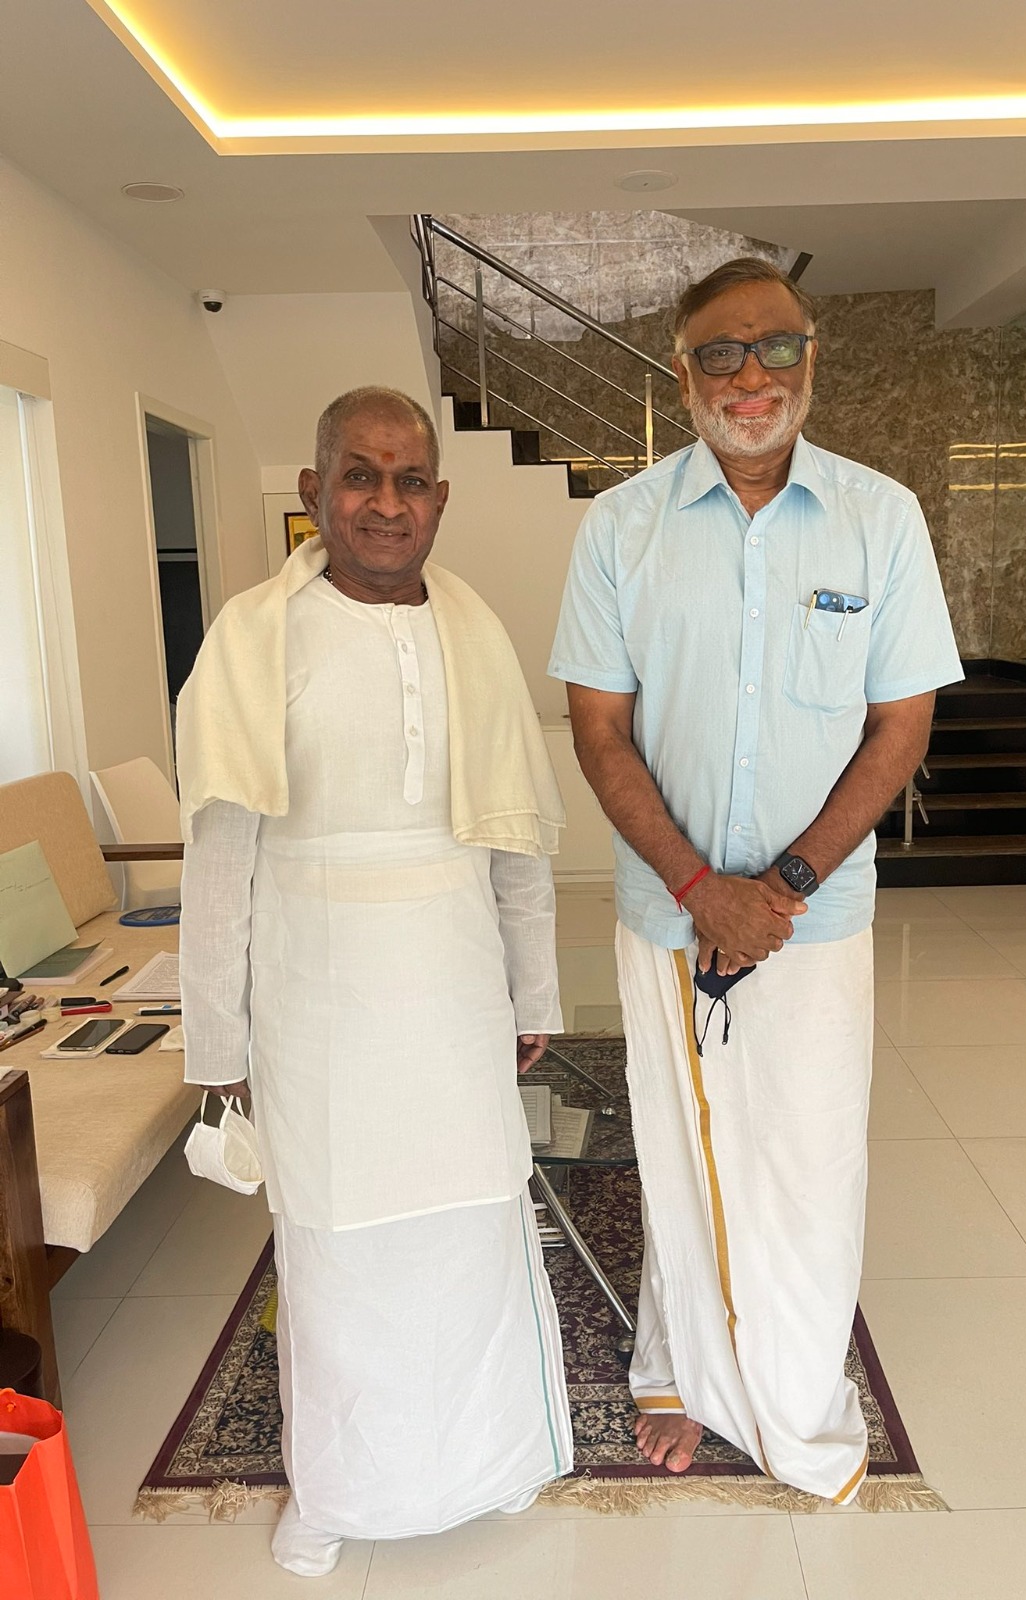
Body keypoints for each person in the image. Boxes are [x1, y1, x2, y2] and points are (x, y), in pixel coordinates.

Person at [549, 258, 962, 1503]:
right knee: (681, 1143)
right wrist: (699, 886)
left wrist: (777, 884)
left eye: (776, 347)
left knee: (808, 1156)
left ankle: (788, 1389)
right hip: (666, 914)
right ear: (682, 372)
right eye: (721, 352)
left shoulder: (880, 517)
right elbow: (598, 730)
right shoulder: (620, 527)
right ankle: (679, 1370)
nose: (750, 375)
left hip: (816, 919)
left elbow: (900, 725)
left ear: (810, 359)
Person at [176, 387, 573, 1575]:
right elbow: (220, 863)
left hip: (455, 986)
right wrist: (218, 1042)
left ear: (440, 499)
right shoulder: (252, 635)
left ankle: (494, 1458)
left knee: (472, 1230)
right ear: (315, 492)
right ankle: (337, 1492)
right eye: (360, 475)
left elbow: (515, 841)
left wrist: (534, 992)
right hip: (317, 1002)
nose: (385, 503)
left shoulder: (478, 631)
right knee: (335, 1252)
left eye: (409, 481)